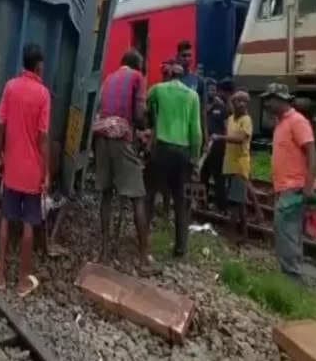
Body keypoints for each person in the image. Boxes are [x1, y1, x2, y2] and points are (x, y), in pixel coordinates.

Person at [0, 43, 51, 297]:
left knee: (6, 218)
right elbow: (44, 137)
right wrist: (46, 172)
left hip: (12, 167)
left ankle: (1, 275)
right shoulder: (43, 94)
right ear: (38, 65)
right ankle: (23, 280)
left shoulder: (10, 87)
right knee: (29, 223)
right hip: (32, 171)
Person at [92, 49, 157, 275]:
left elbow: (101, 108)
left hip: (101, 138)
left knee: (106, 194)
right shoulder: (137, 78)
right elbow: (138, 115)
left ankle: (104, 252)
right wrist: (144, 128)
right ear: (137, 64)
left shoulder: (109, 78)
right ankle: (143, 258)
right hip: (122, 139)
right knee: (138, 196)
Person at [262, 83, 316, 280]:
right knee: (288, 234)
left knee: (287, 235)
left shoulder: (297, 121)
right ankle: (292, 277)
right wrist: (274, 187)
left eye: (270, 99)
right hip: (285, 189)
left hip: (294, 189)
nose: (266, 103)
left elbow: (312, 154)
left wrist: (309, 187)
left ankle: (292, 279)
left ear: (280, 99)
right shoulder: (281, 123)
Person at [146, 61, 202, 258]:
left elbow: (147, 106)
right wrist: (195, 158)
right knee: (181, 201)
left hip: (162, 149)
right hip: (183, 152)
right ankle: (180, 248)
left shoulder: (158, 89)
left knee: (150, 194)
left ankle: (144, 239)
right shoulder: (192, 96)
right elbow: (196, 132)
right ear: (183, 76)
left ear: (168, 74)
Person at [212, 90, 253, 240]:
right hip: (229, 163)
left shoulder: (246, 120)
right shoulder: (230, 119)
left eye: (244, 101)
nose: (241, 104)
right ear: (233, 103)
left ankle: (230, 233)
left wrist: (219, 137)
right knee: (239, 202)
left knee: (235, 201)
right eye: (238, 101)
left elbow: (240, 138)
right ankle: (245, 235)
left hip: (240, 164)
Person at [200, 78, 231, 212]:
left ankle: (221, 206)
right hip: (204, 146)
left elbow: (226, 127)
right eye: (209, 90)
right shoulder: (201, 107)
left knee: (219, 177)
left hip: (218, 146)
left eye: (213, 90)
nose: (211, 92)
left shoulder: (222, 107)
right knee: (203, 175)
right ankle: (203, 203)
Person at [176, 40, 207, 148]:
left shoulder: (199, 81)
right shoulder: (171, 80)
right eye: (183, 56)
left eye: (189, 56)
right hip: (174, 132)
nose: (186, 59)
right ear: (178, 57)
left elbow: (203, 112)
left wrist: (205, 139)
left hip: (191, 132)